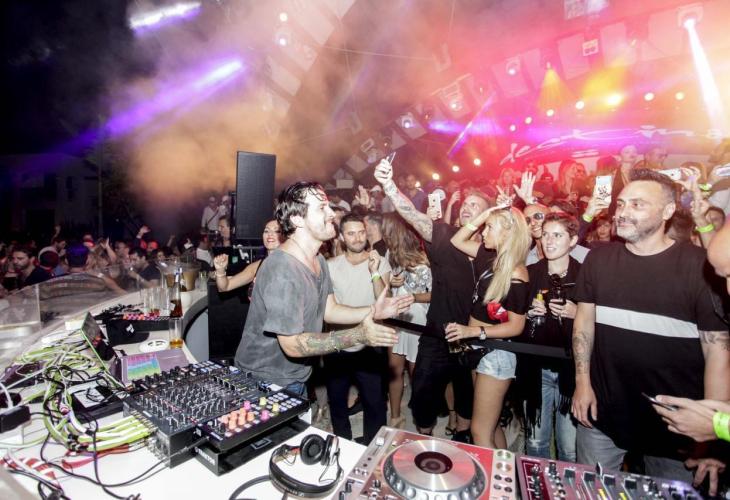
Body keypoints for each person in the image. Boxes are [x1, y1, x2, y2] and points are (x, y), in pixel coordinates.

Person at [571, 168, 730, 482]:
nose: (623, 212)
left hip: (676, 427)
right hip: (604, 413)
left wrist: (711, 432)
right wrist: (582, 383)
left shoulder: (698, 266)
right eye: (621, 204)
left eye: (637, 204)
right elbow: (583, 324)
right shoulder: (599, 260)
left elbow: (718, 352)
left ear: (668, 211)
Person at [232, 182, 413, 396]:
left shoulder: (317, 259)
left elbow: (329, 309)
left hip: (295, 376)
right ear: (297, 219)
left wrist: (374, 311)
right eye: (321, 207)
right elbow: (291, 344)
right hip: (264, 381)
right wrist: (358, 335)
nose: (331, 213)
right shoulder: (282, 269)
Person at [375, 158, 492, 442]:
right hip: (437, 332)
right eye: (465, 203)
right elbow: (412, 214)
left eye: (475, 205)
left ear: (487, 216)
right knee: (423, 392)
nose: (467, 207)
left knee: (467, 396)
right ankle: (425, 439)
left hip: (473, 335)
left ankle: (462, 438)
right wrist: (389, 185)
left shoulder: (491, 247)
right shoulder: (444, 236)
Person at [447, 206, 531, 448]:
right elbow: (457, 240)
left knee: (479, 431)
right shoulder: (489, 257)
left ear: (507, 232)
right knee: (490, 426)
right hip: (478, 348)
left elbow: (516, 326)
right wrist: (486, 214)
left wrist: (474, 331)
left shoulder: (517, 273)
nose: (483, 232)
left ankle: (492, 475)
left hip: (496, 353)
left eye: (490, 227)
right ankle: (505, 470)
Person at [517, 212, 581, 461]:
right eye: (545, 235)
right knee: (535, 442)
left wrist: (578, 313)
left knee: (569, 448)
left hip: (572, 371)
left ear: (573, 240)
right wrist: (529, 313)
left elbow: (603, 325)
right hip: (536, 369)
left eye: (557, 235)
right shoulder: (530, 273)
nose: (549, 241)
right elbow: (512, 319)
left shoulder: (585, 275)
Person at [324, 213, 391, 444]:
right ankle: (342, 444)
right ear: (342, 237)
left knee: (375, 402)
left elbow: (384, 301)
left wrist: (374, 271)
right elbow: (327, 307)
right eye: (351, 234)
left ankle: (373, 448)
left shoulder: (379, 262)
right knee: (337, 400)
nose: (358, 238)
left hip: (370, 342)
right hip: (338, 342)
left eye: (361, 232)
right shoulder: (331, 266)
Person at [381, 213, 432, 429]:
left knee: (416, 374)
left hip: (417, 318)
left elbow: (435, 295)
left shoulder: (423, 258)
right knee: (394, 368)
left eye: (386, 231)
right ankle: (395, 416)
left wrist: (413, 297)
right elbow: (385, 291)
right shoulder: (389, 254)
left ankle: (422, 422)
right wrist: (390, 283)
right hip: (397, 316)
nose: (383, 235)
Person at [213, 220, 283, 299]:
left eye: (277, 231)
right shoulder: (257, 266)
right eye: (266, 231)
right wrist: (220, 270)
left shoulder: (289, 265)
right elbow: (225, 287)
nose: (270, 234)